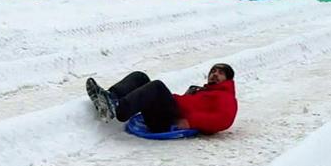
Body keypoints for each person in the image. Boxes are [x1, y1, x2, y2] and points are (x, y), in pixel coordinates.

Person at [85, 63, 238, 135]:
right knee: (140, 77)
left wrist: (191, 122)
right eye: (213, 71)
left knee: (157, 86)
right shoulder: (203, 91)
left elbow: (224, 119)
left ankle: (119, 109)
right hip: (168, 112)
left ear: (228, 79)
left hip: (169, 121)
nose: (215, 74)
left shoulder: (226, 96)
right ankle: (110, 98)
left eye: (220, 73)